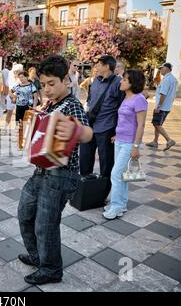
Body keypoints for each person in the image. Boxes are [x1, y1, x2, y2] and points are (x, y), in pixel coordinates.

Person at [17, 55, 93, 285]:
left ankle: (51, 269)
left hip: (61, 175)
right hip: (41, 171)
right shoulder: (50, 104)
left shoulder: (72, 105)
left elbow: (88, 133)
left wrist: (74, 130)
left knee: (45, 224)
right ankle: (38, 256)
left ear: (66, 80)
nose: (47, 89)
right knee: (25, 214)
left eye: (52, 84)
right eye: (43, 84)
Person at [103, 69, 148, 219]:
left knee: (115, 174)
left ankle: (116, 206)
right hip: (120, 141)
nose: (121, 81)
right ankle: (121, 204)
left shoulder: (139, 99)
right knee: (122, 175)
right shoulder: (126, 98)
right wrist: (117, 135)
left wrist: (136, 146)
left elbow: (140, 125)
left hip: (129, 143)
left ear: (132, 83)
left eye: (124, 79)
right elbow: (126, 121)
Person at [79, 55, 125, 200]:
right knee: (85, 156)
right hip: (90, 125)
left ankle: (102, 194)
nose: (96, 67)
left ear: (106, 66)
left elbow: (122, 108)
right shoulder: (95, 82)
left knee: (106, 162)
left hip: (107, 127)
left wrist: (118, 131)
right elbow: (90, 101)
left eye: (98, 64)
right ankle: (84, 186)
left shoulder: (119, 83)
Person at [145, 62, 178, 151]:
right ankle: (155, 141)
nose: (160, 70)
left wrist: (159, 106)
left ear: (166, 69)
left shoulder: (167, 79)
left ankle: (169, 140)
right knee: (158, 124)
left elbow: (163, 94)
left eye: (161, 68)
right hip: (167, 106)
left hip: (162, 107)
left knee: (156, 123)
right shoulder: (174, 79)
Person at [5, 64, 23, 129]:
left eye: (17, 71)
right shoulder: (10, 77)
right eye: (15, 71)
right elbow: (8, 87)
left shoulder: (22, 79)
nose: (15, 72)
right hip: (10, 97)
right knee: (9, 113)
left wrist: (15, 97)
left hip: (19, 98)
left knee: (18, 114)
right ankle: (5, 128)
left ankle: (17, 128)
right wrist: (12, 96)